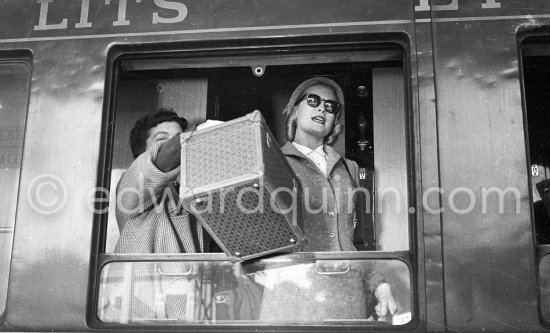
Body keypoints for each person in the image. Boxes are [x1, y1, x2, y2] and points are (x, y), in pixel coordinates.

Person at [259, 77, 397, 322]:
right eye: (313, 100)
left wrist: (380, 285)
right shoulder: (270, 162)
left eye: (330, 106)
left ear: (335, 120)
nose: (322, 108)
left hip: (345, 298)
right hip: (293, 297)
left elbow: (359, 241)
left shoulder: (350, 168)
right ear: (294, 110)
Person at [104, 108, 218, 322]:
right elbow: (161, 159)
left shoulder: (191, 193)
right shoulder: (131, 186)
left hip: (188, 318)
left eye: (177, 137)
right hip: (139, 317)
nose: (174, 144)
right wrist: (196, 136)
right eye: (162, 139)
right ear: (141, 155)